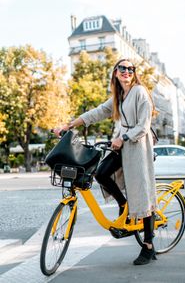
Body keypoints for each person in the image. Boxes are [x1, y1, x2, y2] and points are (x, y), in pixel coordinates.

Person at [54, 58, 157, 265]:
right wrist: (69, 125)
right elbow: (98, 112)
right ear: (116, 73)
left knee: (141, 192)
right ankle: (123, 203)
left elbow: (144, 125)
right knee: (101, 173)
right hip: (122, 145)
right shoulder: (119, 96)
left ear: (133, 72)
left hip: (137, 146)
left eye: (130, 68)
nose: (126, 71)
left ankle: (148, 246)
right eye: (122, 68)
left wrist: (123, 138)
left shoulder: (139, 92)